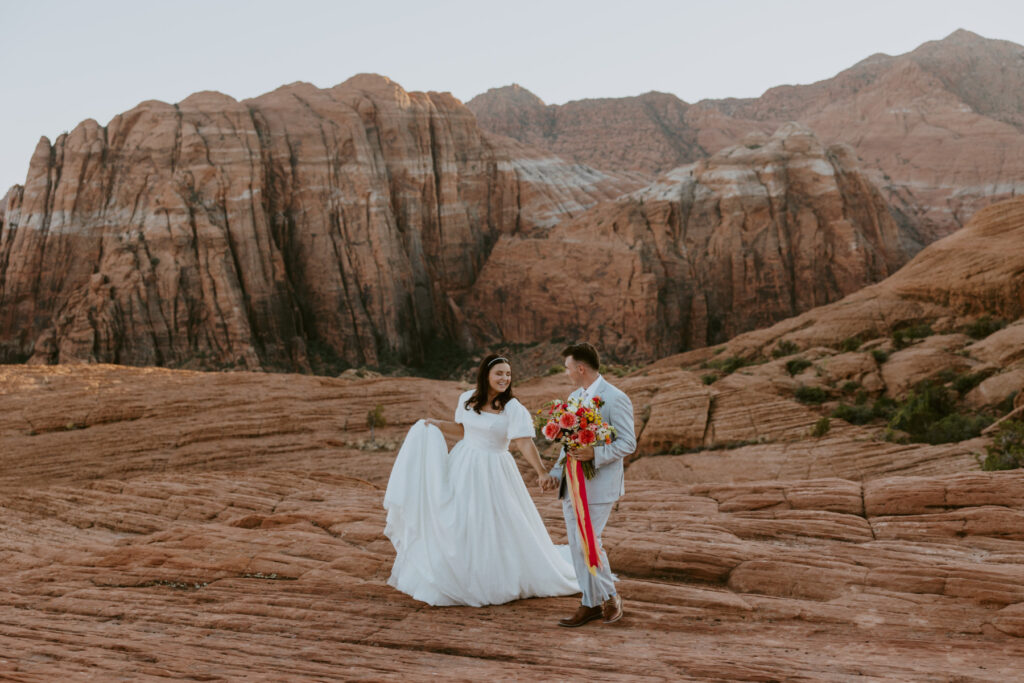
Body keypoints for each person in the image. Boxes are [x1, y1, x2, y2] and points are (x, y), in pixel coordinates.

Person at [383, 353, 578, 606]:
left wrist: (542, 471)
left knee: (493, 521)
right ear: (486, 375)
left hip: (495, 468)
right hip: (463, 463)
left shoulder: (513, 408)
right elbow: (463, 430)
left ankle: (493, 576)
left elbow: (523, 442)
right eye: (499, 373)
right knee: (458, 518)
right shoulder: (466, 399)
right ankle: (456, 573)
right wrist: (437, 424)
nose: (504, 378)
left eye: (508, 374)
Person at [547, 342, 636, 627]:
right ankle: (591, 602)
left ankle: (608, 597)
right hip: (571, 485)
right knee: (576, 545)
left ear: (580, 368)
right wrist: (555, 473)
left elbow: (628, 442)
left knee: (589, 542)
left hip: (598, 487)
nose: (566, 373)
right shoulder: (574, 397)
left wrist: (594, 454)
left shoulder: (615, 398)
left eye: (567, 368)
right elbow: (567, 444)